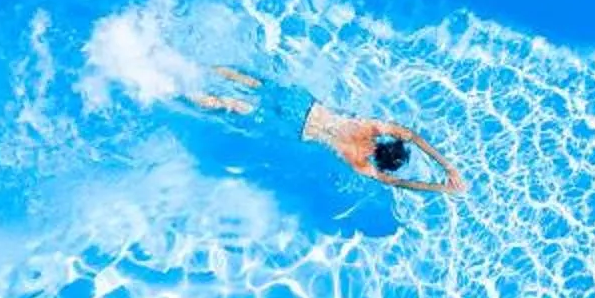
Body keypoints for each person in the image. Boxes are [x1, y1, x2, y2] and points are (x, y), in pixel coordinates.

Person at [193, 66, 464, 195]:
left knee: (254, 83)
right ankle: (188, 92)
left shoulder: (371, 127)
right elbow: (397, 183)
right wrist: (441, 188)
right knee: (237, 106)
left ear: (388, 142)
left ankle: (205, 69)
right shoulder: (359, 163)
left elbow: (413, 136)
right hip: (296, 128)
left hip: (305, 105)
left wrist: (448, 166)